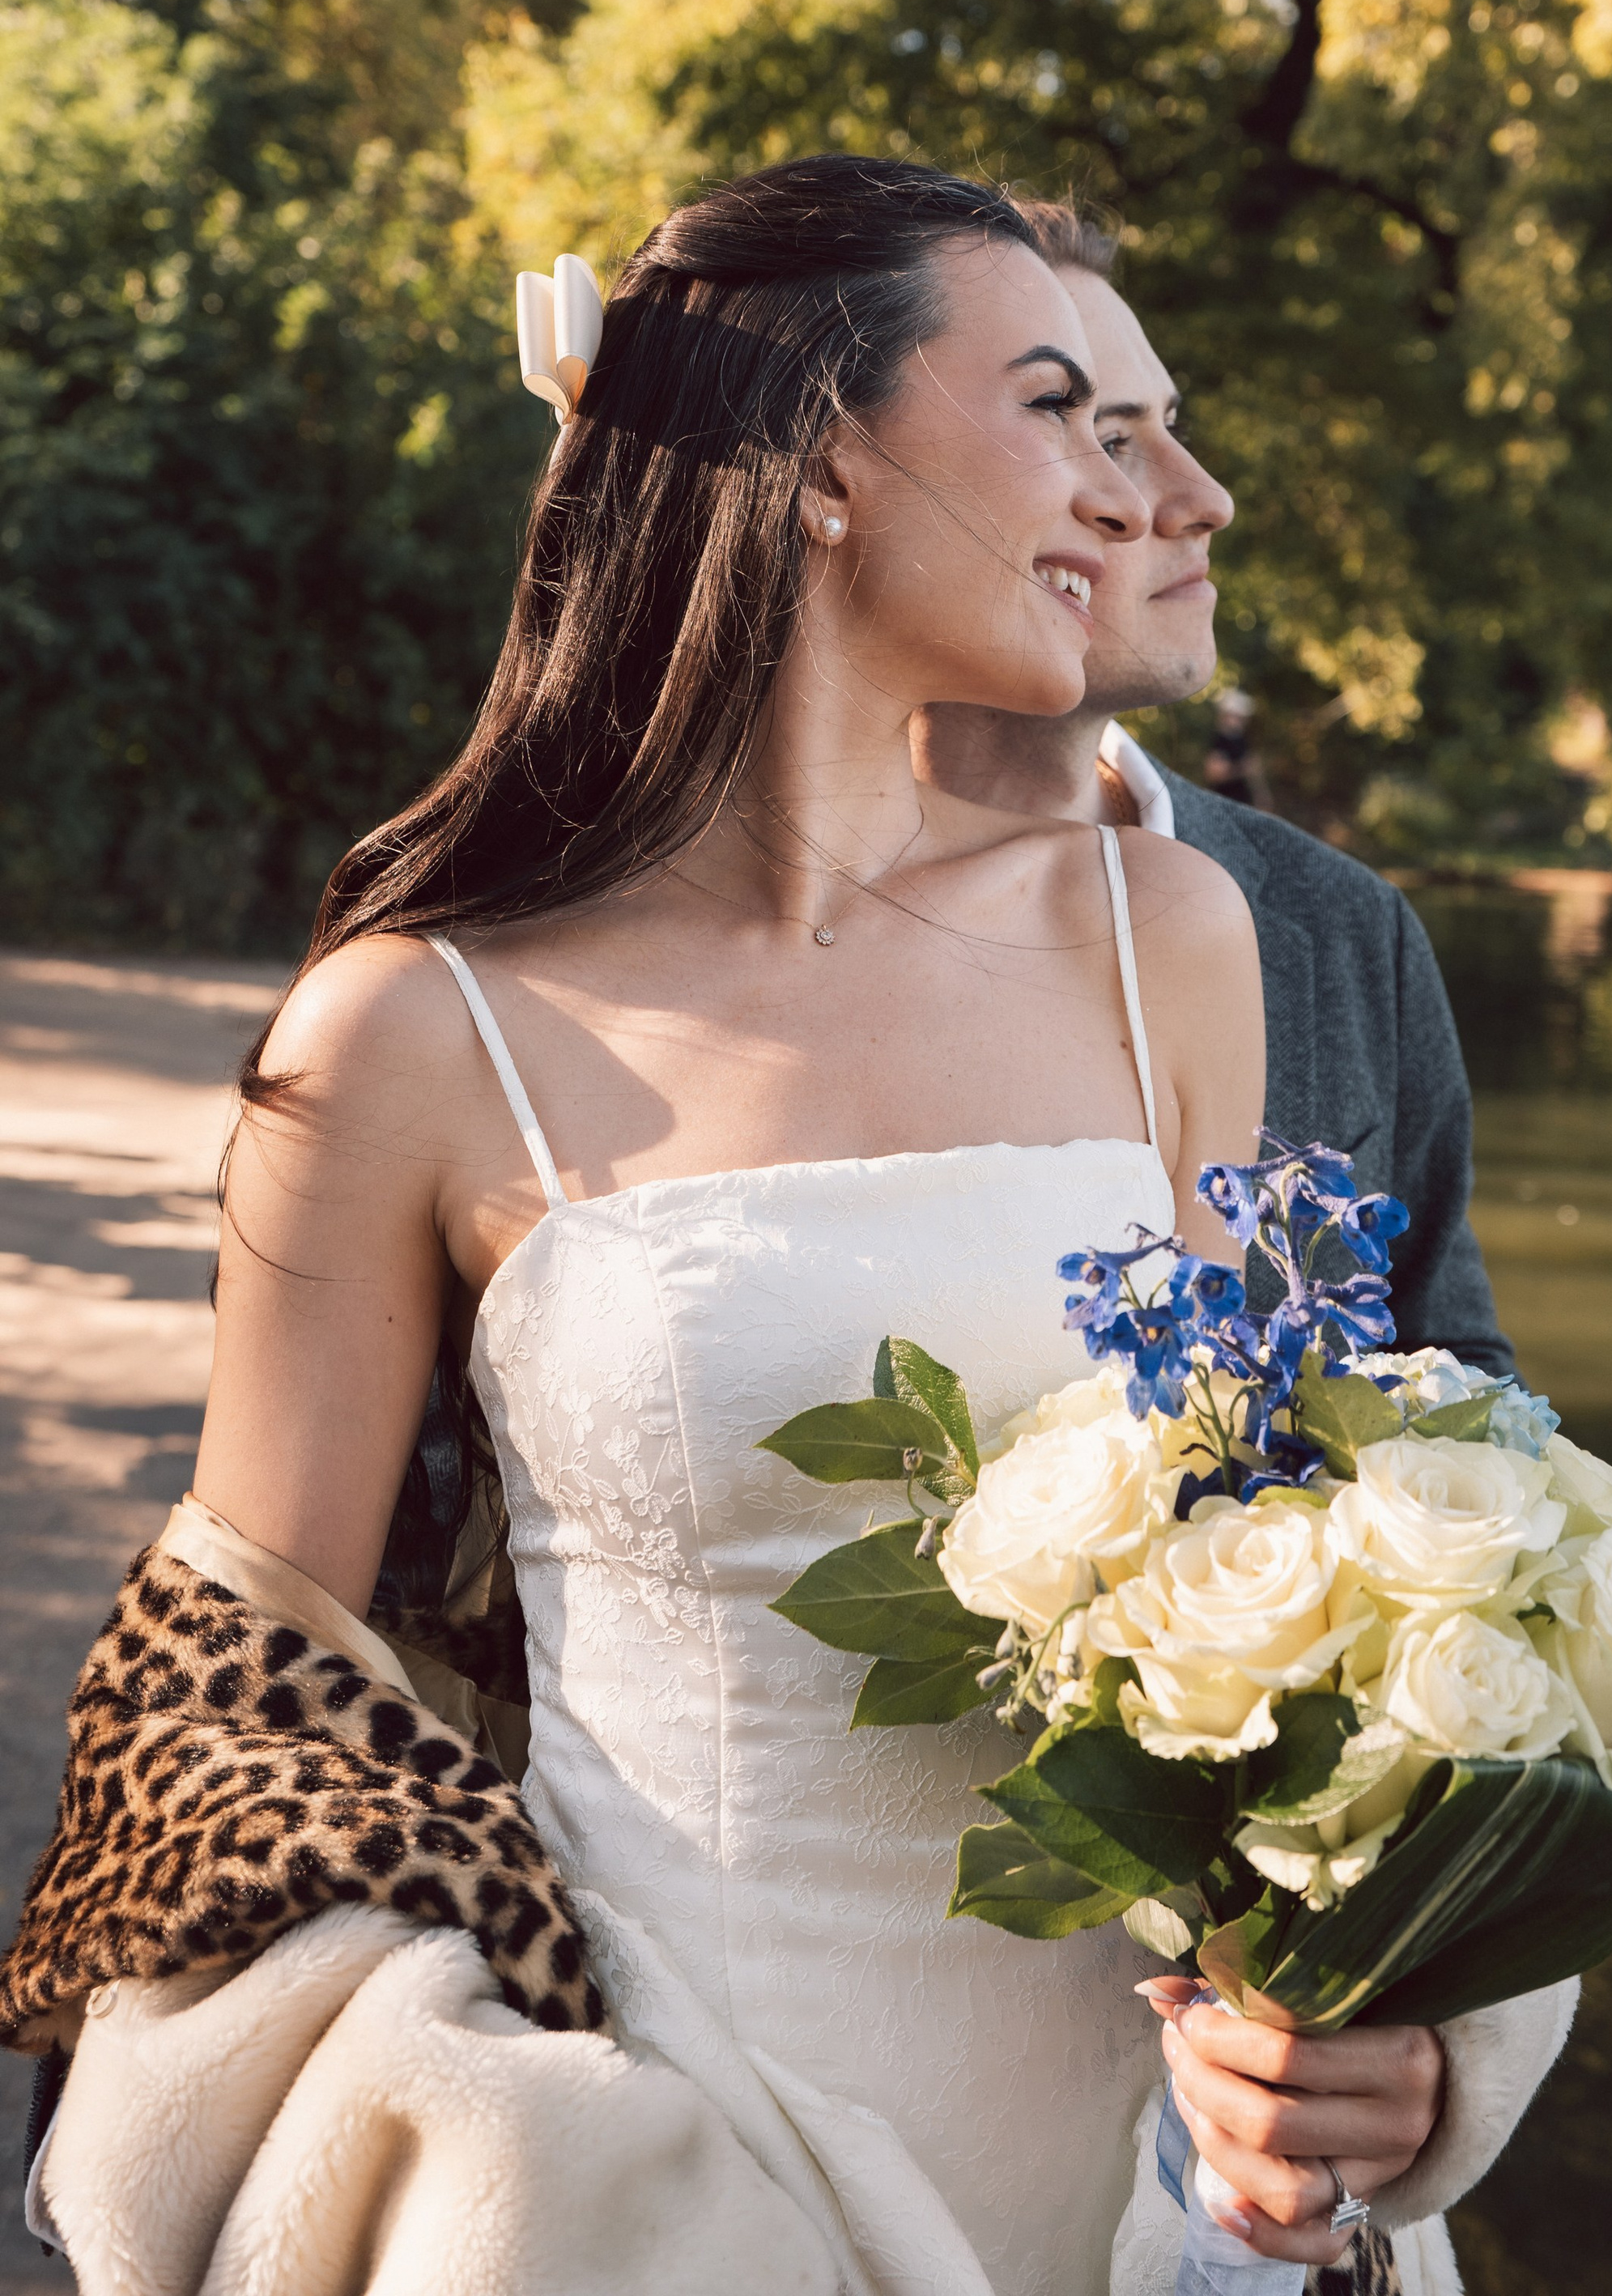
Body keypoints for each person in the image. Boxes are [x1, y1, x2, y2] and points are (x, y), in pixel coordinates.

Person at [31, 161, 1456, 2294]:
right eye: (1068, 409)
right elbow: (233, 1701)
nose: (1154, 496)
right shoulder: (414, 1033)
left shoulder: (1182, 942)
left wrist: (1394, 2017)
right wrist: (511, 2173)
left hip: (1166, 2181)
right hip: (676, 2178)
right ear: (818, 466)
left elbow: (1263, 1560)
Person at [912, 199, 1513, 1384]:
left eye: (1163, 424)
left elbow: (1458, 1376)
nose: (1200, 498)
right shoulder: (710, 941)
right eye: (1109, 436)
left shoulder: (1344, 932)